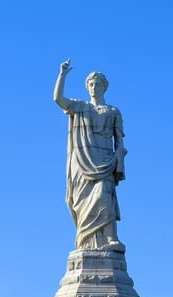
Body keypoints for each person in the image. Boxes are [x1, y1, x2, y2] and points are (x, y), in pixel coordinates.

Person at [53, 59, 127, 250]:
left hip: (105, 159)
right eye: (91, 84)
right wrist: (62, 75)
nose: (94, 87)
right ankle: (86, 241)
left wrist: (119, 159)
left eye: (98, 84)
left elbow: (119, 140)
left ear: (105, 87)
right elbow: (58, 99)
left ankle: (110, 238)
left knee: (105, 195)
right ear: (87, 87)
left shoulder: (113, 111)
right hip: (82, 161)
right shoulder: (80, 107)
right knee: (82, 200)